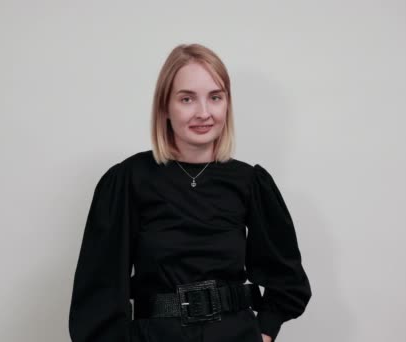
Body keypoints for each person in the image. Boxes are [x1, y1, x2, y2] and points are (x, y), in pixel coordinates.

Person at [68, 43, 312, 342]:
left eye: (215, 97)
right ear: (164, 107)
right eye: (187, 99)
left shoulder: (249, 182)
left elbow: (288, 279)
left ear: (227, 104)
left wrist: (264, 332)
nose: (204, 112)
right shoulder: (129, 180)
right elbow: (99, 290)